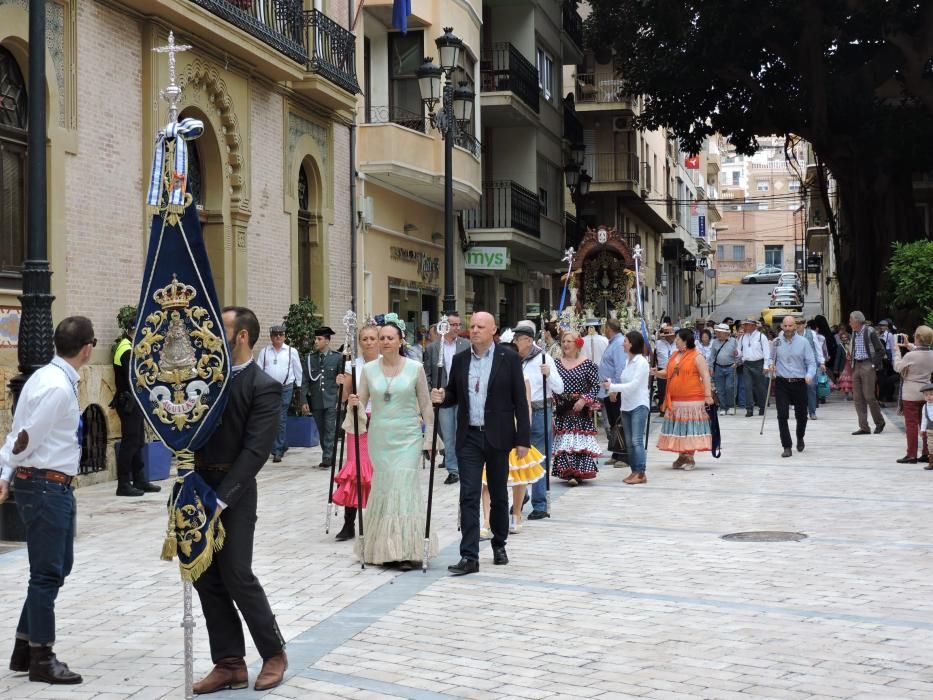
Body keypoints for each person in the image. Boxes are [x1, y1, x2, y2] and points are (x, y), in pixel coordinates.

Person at [191, 307, 287, 693]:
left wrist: (223, 499)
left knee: (236, 573)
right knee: (204, 574)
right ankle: (229, 662)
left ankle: (274, 653)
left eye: (223, 329)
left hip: (236, 490)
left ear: (242, 336)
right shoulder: (205, 380)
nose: (214, 336)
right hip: (199, 487)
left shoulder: (263, 385)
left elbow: (256, 451)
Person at [0, 317, 96, 685]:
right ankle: (42, 656)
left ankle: (24, 646)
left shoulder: (46, 377)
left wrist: (7, 474)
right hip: (44, 485)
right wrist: (5, 473)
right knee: (46, 574)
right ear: (87, 348)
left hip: (52, 485)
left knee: (58, 566)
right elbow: (25, 438)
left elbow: (18, 430)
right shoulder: (56, 387)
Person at [432, 311, 530, 576]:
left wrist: (523, 439)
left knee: (498, 494)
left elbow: (520, 399)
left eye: (480, 326)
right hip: (470, 437)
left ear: (493, 330)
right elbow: (453, 393)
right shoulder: (461, 359)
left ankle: (499, 544)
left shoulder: (507, 358)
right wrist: (442, 395)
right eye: (472, 325)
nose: (474, 330)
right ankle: (469, 555)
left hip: (498, 435)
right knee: (469, 494)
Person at [347, 320, 437, 569]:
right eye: (381, 338)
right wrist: (354, 404)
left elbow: (426, 405)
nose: (385, 342)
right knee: (385, 488)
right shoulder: (369, 371)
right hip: (381, 439)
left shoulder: (415, 368)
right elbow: (361, 404)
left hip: (407, 437)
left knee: (403, 487)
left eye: (390, 337)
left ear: (400, 341)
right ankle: (384, 548)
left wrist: (429, 437)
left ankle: (406, 550)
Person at [331, 324, 380, 541]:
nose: (368, 342)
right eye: (364, 339)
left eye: (372, 338)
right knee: (356, 471)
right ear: (359, 342)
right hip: (358, 422)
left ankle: (378, 520)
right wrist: (341, 386)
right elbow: (344, 398)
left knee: (378, 470)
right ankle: (349, 523)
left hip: (381, 422)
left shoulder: (385, 364)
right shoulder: (353, 365)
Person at [512, 320, 564, 520]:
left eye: (518, 340)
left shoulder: (544, 358)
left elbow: (559, 388)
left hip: (540, 410)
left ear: (527, 340)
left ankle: (540, 504)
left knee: (539, 458)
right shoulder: (514, 358)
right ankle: (520, 496)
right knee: (518, 456)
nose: (515, 343)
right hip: (519, 414)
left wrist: (548, 374)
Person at [112, 316, 160, 496]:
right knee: (130, 442)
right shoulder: (126, 349)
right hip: (128, 402)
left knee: (138, 440)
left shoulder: (131, 346)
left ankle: (139, 480)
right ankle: (123, 484)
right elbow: (134, 377)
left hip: (134, 401)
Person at [652, 328, 714, 470]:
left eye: (678, 339)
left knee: (689, 429)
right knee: (680, 429)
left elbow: (705, 376)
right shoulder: (674, 355)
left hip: (692, 400)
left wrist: (708, 395)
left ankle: (690, 457)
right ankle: (682, 456)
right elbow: (667, 373)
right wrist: (656, 373)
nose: (676, 341)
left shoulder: (697, 356)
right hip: (675, 399)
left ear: (685, 340)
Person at [423, 312, 469, 485]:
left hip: (462, 396)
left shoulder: (466, 345)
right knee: (448, 435)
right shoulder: (433, 348)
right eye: (453, 325)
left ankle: (464, 466)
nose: (457, 328)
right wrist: (430, 393)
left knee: (462, 433)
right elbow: (426, 374)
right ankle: (453, 469)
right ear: (445, 326)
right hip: (442, 398)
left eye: (459, 324)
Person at [552, 330, 602, 485]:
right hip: (562, 407)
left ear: (577, 344)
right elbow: (551, 384)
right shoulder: (556, 363)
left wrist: (584, 400)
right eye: (563, 341)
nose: (565, 344)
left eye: (569, 341)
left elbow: (595, 386)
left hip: (580, 407)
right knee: (566, 439)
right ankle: (568, 472)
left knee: (578, 439)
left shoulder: (587, 364)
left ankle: (578, 472)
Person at [603, 330, 651, 484]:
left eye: (625, 341)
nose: (623, 343)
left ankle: (641, 472)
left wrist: (613, 387)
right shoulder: (627, 361)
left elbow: (634, 385)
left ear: (632, 343)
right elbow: (624, 381)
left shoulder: (641, 362)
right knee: (629, 441)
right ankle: (634, 470)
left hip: (639, 405)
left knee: (636, 440)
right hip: (626, 406)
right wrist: (613, 386)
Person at [768, 315, 817, 458]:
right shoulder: (777, 342)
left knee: (802, 416)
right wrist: (770, 365)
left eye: (791, 326)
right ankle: (786, 446)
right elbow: (771, 357)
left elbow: (811, 363)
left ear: (795, 326)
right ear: (782, 326)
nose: (788, 329)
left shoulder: (804, 342)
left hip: (799, 382)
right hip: (782, 382)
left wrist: (809, 375)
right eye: (785, 326)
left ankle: (800, 436)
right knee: (782, 415)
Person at [258, 325, 303, 463]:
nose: (278, 337)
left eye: (281, 335)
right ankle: (281, 444)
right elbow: (259, 370)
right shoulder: (264, 351)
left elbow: (298, 370)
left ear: (284, 336)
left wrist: (300, 389)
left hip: (286, 387)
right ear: (271, 337)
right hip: (268, 389)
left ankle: (277, 450)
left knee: (281, 416)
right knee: (271, 417)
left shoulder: (291, 351)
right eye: (275, 335)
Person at [302, 326, 343, 469]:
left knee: (330, 429)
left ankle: (327, 457)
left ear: (327, 341)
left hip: (331, 399)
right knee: (321, 429)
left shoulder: (337, 358)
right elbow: (305, 380)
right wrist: (304, 400)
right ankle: (326, 454)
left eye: (319, 339)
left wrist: (340, 399)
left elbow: (341, 381)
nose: (316, 341)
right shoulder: (310, 358)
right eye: (315, 338)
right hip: (317, 399)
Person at [894, 326, 933, 464]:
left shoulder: (910, 355)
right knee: (926, 423)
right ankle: (927, 453)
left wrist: (897, 351)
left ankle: (911, 454)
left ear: (917, 338)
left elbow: (898, 367)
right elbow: (921, 354)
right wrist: (908, 345)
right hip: (927, 393)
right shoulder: (931, 354)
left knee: (911, 424)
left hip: (910, 394)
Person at [848, 310, 887, 435]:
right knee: (858, 398)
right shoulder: (854, 332)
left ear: (857, 321)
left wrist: (873, 364)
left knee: (869, 396)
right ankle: (864, 427)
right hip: (857, 365)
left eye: (851, 320)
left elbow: (881, 350)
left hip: (867, 364)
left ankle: (879, 422)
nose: (849, 322)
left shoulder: (869, 331)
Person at [598, 319, 628, 466]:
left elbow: (620, 368)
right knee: (613, 422)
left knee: (619, 422)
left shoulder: (619, 343)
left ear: (609, 328)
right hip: (608, 390)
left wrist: (614, 389)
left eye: (604, 327)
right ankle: (616, 453)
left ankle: (624, 456)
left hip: (614, 390)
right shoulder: (612, 343)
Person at [738, 319, 771, 417]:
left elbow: (766, 352)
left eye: (747, 325)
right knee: (747, 386)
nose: (745, 327)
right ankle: (749, 409)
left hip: (759, 363)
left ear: (753, 326)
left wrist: (766, 366)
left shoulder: (761, 337)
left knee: (760, 387)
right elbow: (740, 351)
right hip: (747, 364)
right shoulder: (743, 337)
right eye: (744, 325)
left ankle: (762, 407)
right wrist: (737, 353)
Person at [796, 318, 826, 420]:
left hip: (810, 365)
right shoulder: (791, 334)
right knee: (798, 389)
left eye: (800, 323)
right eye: (796, 323)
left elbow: (818, 348)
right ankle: (801, 411)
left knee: (811, 387)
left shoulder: (811, 333)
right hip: (797, 365)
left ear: (805, 324)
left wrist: (821, 362)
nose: (798, 325)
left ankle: (812, 412)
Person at [709, 323, 737, 415]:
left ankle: (730, 406)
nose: (718, 334)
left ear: (726, 333)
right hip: (718, 367)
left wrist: (736, 363)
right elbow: (712, 357)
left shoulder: (734, 341)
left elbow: (739, 354)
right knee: (720, 389)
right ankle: (723, 407)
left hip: (730, 367)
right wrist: (711, 368)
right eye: (718, 332)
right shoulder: (715, 342)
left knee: (729, 387)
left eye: (720, 332)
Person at [653, 324, 677, 411]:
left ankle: (673, 407)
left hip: (675, 369)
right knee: (662, 390)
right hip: (662, 368)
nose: (672, 337)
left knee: (674, 389)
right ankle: (662, 408)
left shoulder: (677, 343)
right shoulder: (659, 343)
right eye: (670, 336)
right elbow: (653, 357)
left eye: (672, 335)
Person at [834, 325, 853, 400]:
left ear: (848, 338)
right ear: (841, 339)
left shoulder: (851, 346)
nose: (844, 339)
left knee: (853, 381)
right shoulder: (840, 346)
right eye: (843, 338)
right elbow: (837, 358)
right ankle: (846, 395)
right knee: (845, 382)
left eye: (846, 338)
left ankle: (854, 395)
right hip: (843, 366)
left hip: (851, 365)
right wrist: (836, 369)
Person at [920, 382, 933, 471]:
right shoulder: (924, 407)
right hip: (930, 431)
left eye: (931, 394)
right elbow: (924, 419)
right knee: (931, 447)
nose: (929, 397)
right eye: (926, 395)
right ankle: (931, 463)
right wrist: (922, 430)